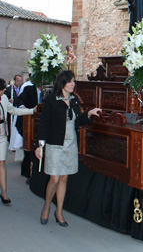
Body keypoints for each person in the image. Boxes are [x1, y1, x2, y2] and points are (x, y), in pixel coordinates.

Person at [34, 70, 102, 227]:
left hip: (71, 144)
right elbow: (43, 124)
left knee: (64, 178)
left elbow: (77, 121)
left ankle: (59, 212)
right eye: (70, 81)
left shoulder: (74, 100)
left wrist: (89, 114)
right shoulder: (51, 100)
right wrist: (39, 145)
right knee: (55, 178)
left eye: (73, 81)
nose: (73, 84)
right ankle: (46, 207)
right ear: (62, 83)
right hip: (54, 144)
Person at [0, 78, 36, 204]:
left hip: (2, 135)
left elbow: (14, 110)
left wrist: (31, 111)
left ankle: (4, 193)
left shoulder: (4, 98)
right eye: (2, 88)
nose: (4, 90)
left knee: (2, 162)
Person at [14, 82, 43, 181]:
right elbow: (19, 100)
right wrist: (22, 107)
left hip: (40, 124)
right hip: (28, 123)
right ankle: (27, 172)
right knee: (29, 147)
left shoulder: (50, 92)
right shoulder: (29, 89)